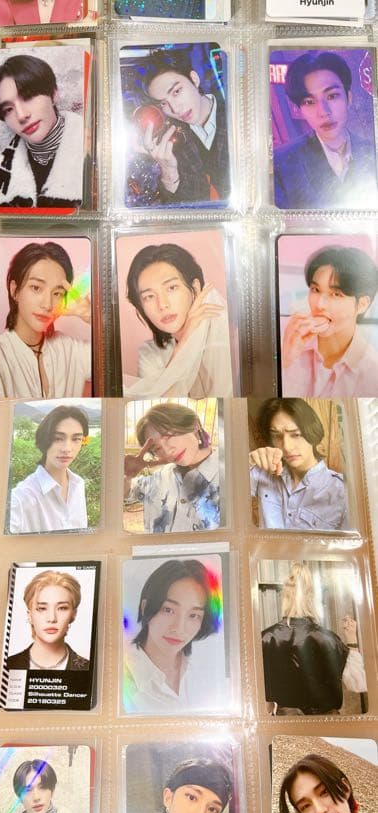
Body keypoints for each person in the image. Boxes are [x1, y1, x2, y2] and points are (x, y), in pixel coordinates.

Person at [124, 242, 233, 397]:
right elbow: (160, 409)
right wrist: (183, 344)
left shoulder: (229, 342)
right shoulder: (150, 355)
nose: (162, 304)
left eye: (171, 288)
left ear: (195, 288)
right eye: (149, 296)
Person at [272, 51, 378, 210]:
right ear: (299, 110)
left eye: (332, 96)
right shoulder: (281, 164)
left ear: (348, 98)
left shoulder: (372, 152)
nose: (323, 111)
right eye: (309, 102)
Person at [261, 561, 366, 715]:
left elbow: (260, 698)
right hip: (325, 726)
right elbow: (358, 684)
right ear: (312, 597)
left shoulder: (265, 638)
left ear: (285, 597)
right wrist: (351, 639)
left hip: (284, 727)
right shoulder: (328, 639)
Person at [0, 242, 91, 398]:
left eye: (57, 293)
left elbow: (114, 366)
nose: (47, 305)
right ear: (15, 290)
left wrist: (90, 316)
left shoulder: (71, 349)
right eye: (36, 288)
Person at [128, 48, 230, 204]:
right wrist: (169, 172)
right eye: (163, 103)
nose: (175, 109)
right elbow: (187, 207)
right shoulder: (171, 143)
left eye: (176, 92)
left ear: (194, 79)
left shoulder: (235, 114)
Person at [0, 54, 84, 209]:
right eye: (8, 109)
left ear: (53, 94)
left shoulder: (93, 151)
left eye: (28, 97)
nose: (21, 115)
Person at [124, 558, 221, 713]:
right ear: (145, 607)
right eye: (168, 610)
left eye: (193, 615)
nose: (179, 628)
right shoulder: (123, 677)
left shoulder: (203, 671)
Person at [281, 245, 378, 397]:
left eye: (336, 294)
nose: (319, 304)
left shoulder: (372, 372)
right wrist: (284, 361)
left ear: (362, 304)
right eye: (315, 290)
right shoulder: (284, 332)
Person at [249, 397, 349, 531]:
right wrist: (248, 462)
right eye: (277, 436)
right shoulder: (262, 473)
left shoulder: (342, 492)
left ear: (312, 433)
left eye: (296, 435)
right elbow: (226, 496)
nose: (287, 447)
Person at [124, 403, 221, 533]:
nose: (167, 451)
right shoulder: (161, 477)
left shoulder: (233, 476)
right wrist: (126, 476)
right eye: (157, 448)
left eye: (169, 436)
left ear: (195, 426)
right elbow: (127, 491)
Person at [9, 404, 90, 534]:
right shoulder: (21, 497)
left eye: (76, 439)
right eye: (58, 438)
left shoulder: (78, 484)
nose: (67, 448)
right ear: (44, 439)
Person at [7, 569, 89, 671]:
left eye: (62, 608)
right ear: (30, 615)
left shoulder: (86, 668)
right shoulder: (8, 665)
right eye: (42, 608)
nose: (52, 619)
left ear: (74, 614)